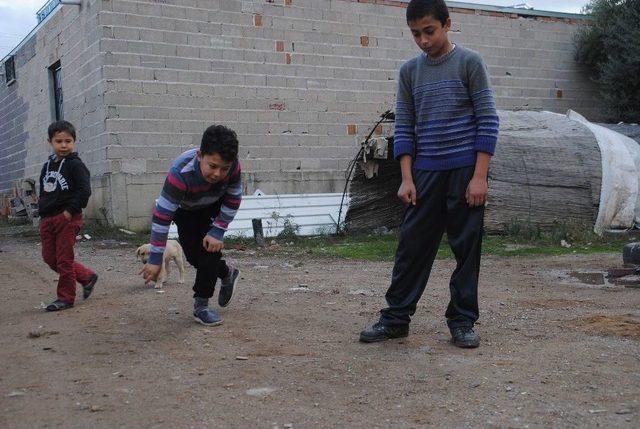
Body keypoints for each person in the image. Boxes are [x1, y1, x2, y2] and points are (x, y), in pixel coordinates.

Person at [359, 0, 499, 348]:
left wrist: (479, 176)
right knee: (412, 248)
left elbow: (488, 121)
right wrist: (406, 178)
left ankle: (462, 321)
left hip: (465, 172)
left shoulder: (470, 63)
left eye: (429, 31)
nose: (423, 40)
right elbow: (404, 127)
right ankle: (395, 319)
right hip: (424, 175)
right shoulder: (410, 72)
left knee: (467, 249)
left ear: (447, 24)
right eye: (415, 34)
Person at [139, 125, 242, 326]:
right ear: (200, 155)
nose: (218, 174)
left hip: (213, 207)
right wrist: (154, 258)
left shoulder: (233, 167)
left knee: (208, 253)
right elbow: (162, 217)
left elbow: (234, 198)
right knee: (195, 258)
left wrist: (218, 230)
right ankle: (227, 273)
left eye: (224, 168)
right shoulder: (180, 173)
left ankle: (201, 306)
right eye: (212, 166)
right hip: (185, 211)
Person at [38, 120, 98, 311]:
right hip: (48, 219)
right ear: (50, 141)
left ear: (74, 141)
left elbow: (84, 190)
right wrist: (42, 213)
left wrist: (68, 212)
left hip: (67, 218)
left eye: (68, 141)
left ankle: (65, 298)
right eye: (59, 141)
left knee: (64, 260)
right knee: (50, 258)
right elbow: (44, 193)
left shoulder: (75, 165)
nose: (63, 145)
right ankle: (87, 277)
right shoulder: (47, 166)